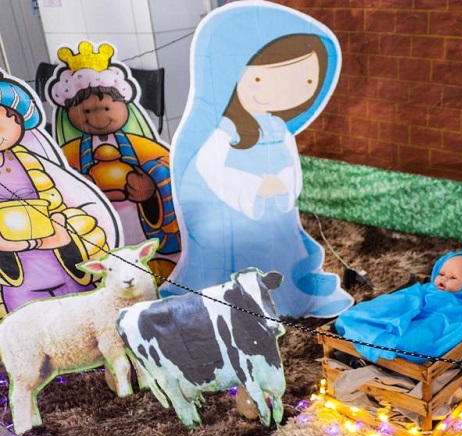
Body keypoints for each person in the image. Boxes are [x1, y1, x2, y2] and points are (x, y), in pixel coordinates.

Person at [162, 2, 352, 318]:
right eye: (261, 80)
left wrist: (283, 186)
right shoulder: (222, 132)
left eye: (305, 82)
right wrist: (253, 187)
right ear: (232, 74)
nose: (280, 92)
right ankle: (243, 304)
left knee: (282, 254)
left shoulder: (279, 128)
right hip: (234, 218)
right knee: (244, 263)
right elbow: (208, 171)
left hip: (275, 214)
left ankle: (287, 297)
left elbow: (292, 169)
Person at [48, 41, 180, 281]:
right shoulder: (70, 153)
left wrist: (150, 192)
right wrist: (79, 186)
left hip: (139, 218)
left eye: (106, 108)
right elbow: (55, 184)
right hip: (100, 223)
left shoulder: (141, 146)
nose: (98, 117)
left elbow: (166, 167)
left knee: (148, 262)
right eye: (87, 112)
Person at [0, 72, 119, 314]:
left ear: (17, 118)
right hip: (17, 274)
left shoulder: (31, 161)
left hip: (58, 257)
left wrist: (62, 232)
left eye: (10, 115)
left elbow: (62, 201)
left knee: (83, 313)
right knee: (29, 322)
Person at [335, 245, 462, 364]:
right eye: (441, 273)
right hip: (414, 307)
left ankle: (390, 343)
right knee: (387, 305)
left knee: (422, 335)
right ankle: (371, 327)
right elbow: (404, 299)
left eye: (453, 278)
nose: (444, 279)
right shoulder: (426, 289)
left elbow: (455, 326)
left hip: (435, 320)